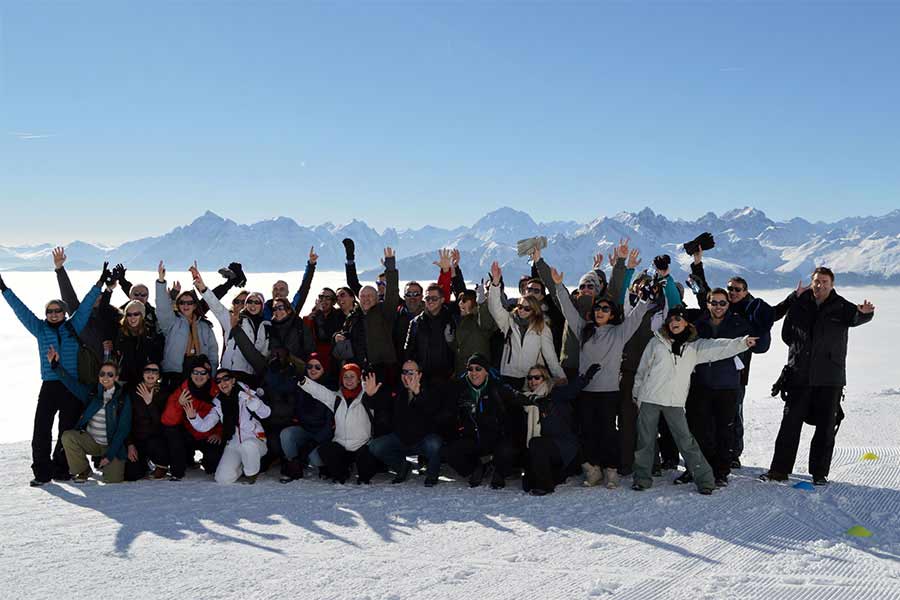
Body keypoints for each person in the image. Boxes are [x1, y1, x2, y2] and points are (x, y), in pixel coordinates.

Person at [761, 267, 875, 485]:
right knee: (790, 425)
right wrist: (800, 352)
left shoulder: (841, 306)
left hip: (830, 378)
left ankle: (819, 474)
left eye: (824, 282)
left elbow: (858, 317)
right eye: (816, 281)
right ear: (811, 283)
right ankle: (779, 471)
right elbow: (787, 334)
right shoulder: (799, 304)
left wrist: (867, 313)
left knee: (825, 429)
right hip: (798, 375)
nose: (819, 285)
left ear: (832, 285)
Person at [631, 306, 757, 495]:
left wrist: (742, 343)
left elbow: (719, 347)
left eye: (679, 320)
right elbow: (642, 370)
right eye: (672, 320)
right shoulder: (656, 343)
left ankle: (705, 480)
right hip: (650, 398)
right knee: (645, 441)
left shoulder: (694, 348)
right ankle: (642, 479)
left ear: (686, 323)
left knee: (686, 441)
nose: (674, 323)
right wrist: (637, 394)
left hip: (674, 402)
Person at [1, 264, 105, 486]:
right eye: (50, 311)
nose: (54, 314)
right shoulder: (40, 329)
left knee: (66, 430)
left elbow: (86, 307)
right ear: (46, 314)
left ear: (65, 313)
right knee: (41, 429)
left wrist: (99, 284)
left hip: (71, 386)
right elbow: (20, 310)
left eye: (58, 310)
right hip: (49, 385)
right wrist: (4, 289)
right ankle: (41, 472)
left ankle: (61, 468)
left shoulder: (73, 327)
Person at [550, 262, 652, 488]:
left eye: (605, 309)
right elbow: (567, 308)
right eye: (598, 308)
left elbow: (635, 317)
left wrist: (643, 299)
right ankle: (592, 470)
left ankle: (611, 471)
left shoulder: (619, 333)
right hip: (585, 391)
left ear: (612, 313)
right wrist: (559, 286)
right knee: (587, 432)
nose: (600, 311)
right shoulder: (583, 330)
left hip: (608, 392)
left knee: (608, 433)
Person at [689, 247, 775, 468]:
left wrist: (794, 298)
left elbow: (769, 320)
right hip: (707, 375)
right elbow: (704, 292)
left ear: (745, 291)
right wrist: (697, 263)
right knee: (708, 418)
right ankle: (711, 454)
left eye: (737, 289)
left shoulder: (748, 311)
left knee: (732, 416)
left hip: (736, 374)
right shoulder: (714, 309)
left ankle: (732, 454)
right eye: (730, 289)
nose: (733, 292)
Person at [682, 287, 764, 487]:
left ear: (729, 304)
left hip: (727, 385)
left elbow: (761, 345)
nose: (718, 307)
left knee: (723, 430)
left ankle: (720, 471)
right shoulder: (697, 325)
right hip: (700, 383)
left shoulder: (738, 324)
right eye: (714, 302)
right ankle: (695, 468)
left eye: (722, 303)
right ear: (708, 303)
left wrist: (764, 321)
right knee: (698, 429)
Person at [513, 363, 600, 495]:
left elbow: (572, 390)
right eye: (530, 378)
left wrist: (586, 377)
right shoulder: (526, 399)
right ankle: (556, 475)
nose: (532, 381)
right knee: (527, 484)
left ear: (545, 378)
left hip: (562, 445)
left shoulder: (554, 394)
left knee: (536, 443)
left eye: (537, 377)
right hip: (543, 451)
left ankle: (545, 486)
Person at [48, 348, 132, 484]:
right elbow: (72, 384)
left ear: (116, 377)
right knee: (68, 437)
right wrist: (56, 366)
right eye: (102, 374)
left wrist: (109, 456)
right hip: (91, 442)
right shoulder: (92, 393)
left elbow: (123, 430)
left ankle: (109, 465)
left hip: (111, 446)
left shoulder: (123, 398)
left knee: (113, 481)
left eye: (110, 374)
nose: (105, 377)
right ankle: (84, 470)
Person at [297, 363, 380, 484]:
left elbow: (377, 404)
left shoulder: (366, 396)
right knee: (325, 450)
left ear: (358, 380)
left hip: (362, 446)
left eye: (352, 376)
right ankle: (342, 473)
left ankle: (364, 473)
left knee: (366, 471)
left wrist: (372, 395)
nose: (349, 380)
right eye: (345, 376)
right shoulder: (336, 398)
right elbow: (319, 391)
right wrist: (303, 381)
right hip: (341, 446)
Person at [442, 354, 517, 488]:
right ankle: (478, 467)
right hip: (471, 437)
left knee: (508, 450)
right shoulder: (459, 388)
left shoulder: (496, 387)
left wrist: (536, 399)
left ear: (486, 371)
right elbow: (448, 411)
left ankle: (499, 471)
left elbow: (516, 396)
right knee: (450, 452)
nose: (474, 373)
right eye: (470, 369)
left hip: (495, 437)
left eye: (478, 369)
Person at [486, 261, 565, 388]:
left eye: (527, 308)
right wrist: (495, 284)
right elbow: (494, 308)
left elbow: (550, 356)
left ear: (534, 310)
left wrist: (561, 377)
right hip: (508, 375)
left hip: (530, 379)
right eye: (520, 307)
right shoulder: (509, 321)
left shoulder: (542, 326)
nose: (522, 310)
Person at [367, 360, 446, 487]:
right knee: (375, 446)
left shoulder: (431, 389)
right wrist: (370, 396)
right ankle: (402, 467)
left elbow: (432, 409)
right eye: (404, 372)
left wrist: (418, 394)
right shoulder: (396, 391)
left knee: (434, 443)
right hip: (401, 439)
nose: (407, 375)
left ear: (419, 375)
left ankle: (432, 474)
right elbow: (378, 405)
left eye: (411, 372)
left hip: (423, 441)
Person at [186, 369, 272, 484]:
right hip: (234, 443)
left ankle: (251, 474)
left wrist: (255, 403)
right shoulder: (218, 403)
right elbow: (204, 426)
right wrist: (193, 417)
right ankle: (241, 466)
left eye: (226, 379)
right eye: (219, 381)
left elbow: (266, 413)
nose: (223, 383)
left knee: (248, 446)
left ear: (233, 380)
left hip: (255, 441)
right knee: (222, 479)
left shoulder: (246, 394)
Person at [193, 265, 269, 385]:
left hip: (246, 376)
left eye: (257, 302)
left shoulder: (264, 326)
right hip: (226, 373)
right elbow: (216, 306)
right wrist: (202, 288)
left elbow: (261, 355)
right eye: (249, 301)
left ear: (262, 306)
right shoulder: (234, 319)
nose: (252, 305)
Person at [155, 261, 219, 390]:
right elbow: (162, 308)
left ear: (195, 305)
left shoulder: (204, 326)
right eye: (182, 302)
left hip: (199, 373)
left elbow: (213, 351)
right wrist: (161, 282)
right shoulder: (172, 322)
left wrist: (211, 373)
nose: (186, 305)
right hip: (175, 372)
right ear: (178, 305)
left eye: (190, 302)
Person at [160, 356, 223, 480]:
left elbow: (224, 416)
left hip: (209, 435)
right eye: (195, 372)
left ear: (209, 375)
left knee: (213, 466)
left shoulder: (217, 390)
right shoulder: (183, 390)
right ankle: (179, 469)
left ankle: (206, 461)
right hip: (188, 434)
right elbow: (168, 420)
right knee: (172, 432)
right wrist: (179, 404)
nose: (199, 376)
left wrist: (219, 433)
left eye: (203, 372)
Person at [278, 353, 335, 482]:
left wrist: (314, 442)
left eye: (317, 367)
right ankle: (294, 465)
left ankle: (324, 466)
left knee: (315, 458)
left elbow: (330, 424)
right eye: (309, 366)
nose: (313, 370)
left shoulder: (330, 388)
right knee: (286, 435)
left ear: (324, 368)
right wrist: (277, 371)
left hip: (324, 436)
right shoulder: (301, 383)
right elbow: (280, 387)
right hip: (306, 430)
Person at [123, 362, 170, 481]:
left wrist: (149, 403)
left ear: (159, 375)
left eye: (155, 371)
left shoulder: (164, 393)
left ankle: (161, 464)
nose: (151, 374)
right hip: (137, 439)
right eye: (147, 370)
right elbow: (126, 420)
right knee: (131, 475)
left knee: (158, 442)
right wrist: (130, 444)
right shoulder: (132, 392)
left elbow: (161, 421)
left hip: (155, 439)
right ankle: (143, 464)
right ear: (142, 373)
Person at [404, 283, 456, 383]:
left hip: (446, 377)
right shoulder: (416, 323)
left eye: (434, 298)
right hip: (423, 378)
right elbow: (409, 351)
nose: (430, 301)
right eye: (428, 298)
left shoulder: (451, 320)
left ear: (442, 300)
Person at [114, 300, 164, 388]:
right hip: (123, 381)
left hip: (144, 382)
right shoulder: (120, 333)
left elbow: (157, 358)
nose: (132, 317)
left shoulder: (151, 333)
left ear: (142, 315)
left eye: (136, 314)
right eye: (129, 314)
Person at [262, 247, 318, 320]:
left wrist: (311, 265)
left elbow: (304, 288)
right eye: (275, 289)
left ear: (287, 293)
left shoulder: (293, 310)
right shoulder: (262, 309)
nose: (278, 292)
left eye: (281, 289)